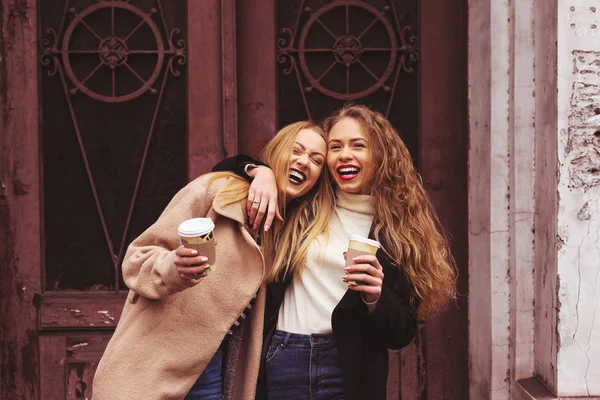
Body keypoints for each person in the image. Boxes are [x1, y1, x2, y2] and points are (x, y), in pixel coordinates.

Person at [217, 104, 457, 400]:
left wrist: (375, 297)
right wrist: (260, 172)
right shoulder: (305, 205)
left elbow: (402, 333)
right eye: (335, 147)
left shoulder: (399, 232)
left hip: (351, 366)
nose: (345, 155)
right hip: (285, 355)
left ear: (380, 155)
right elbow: (222, 173)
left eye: (358, 146)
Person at [91, 121, 332, 400]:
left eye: (316, 160)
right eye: (296, 150)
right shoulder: (217, 191)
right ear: (277, 152)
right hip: (152, 363)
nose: (304, 162)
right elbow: (136, 260)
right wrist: (172, 268)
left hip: (214, 371)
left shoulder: (291, 236)